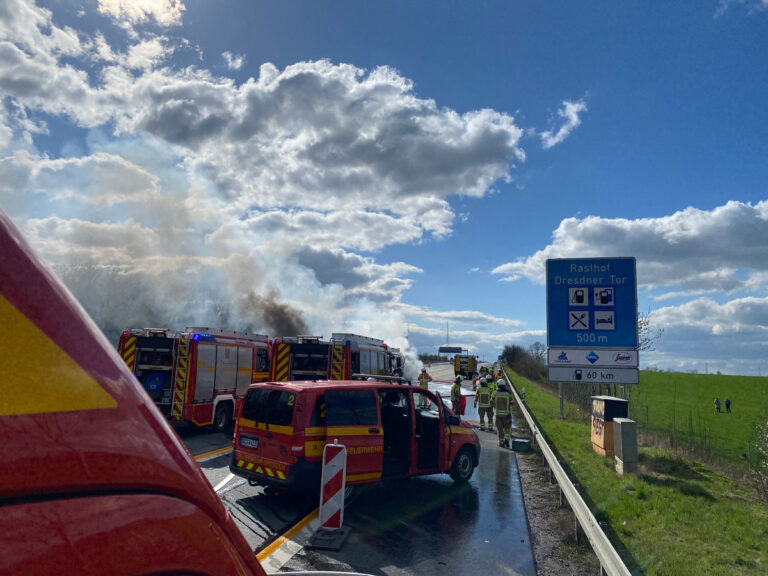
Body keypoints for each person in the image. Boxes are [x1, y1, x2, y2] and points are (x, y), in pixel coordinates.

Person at [494, 380, 512, 448]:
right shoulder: (508, 393)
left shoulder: (495, 393)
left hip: (498, 414)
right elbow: (512, 402)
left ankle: (501, 442)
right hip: (507, 414)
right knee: (507, 428)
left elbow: (491, 401)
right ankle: (506, 439)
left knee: (500, 429)